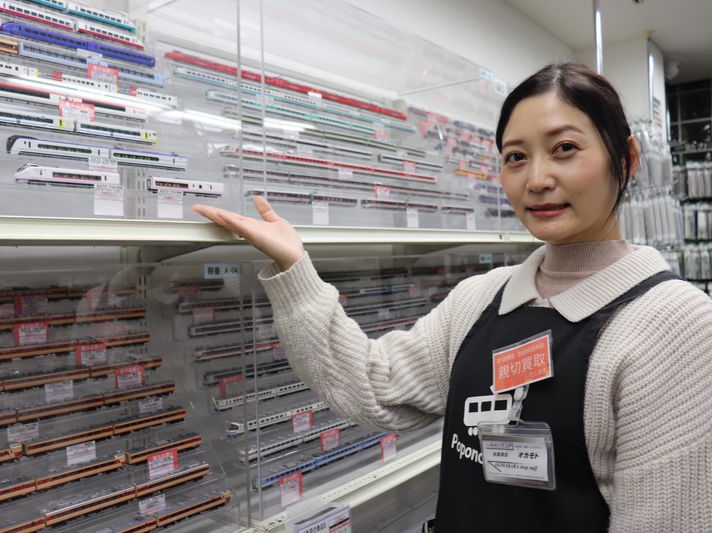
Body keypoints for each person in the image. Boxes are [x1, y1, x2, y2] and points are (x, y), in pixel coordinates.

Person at [192, 62, 712, 532]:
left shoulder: (678, 325)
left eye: (564, 149)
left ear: (626, 158)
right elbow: (374, 388)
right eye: (515, 157)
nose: (536, 180)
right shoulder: (481, 298)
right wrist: (294, 267)